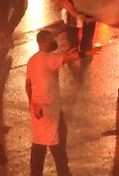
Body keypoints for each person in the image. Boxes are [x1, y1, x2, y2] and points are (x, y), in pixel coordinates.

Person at [26, 29, 80, 175]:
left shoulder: (32, 61)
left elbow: (28, 85)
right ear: (43, 44)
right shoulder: (48, 59)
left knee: (38, 143)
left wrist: (33, 104)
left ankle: (36, 173)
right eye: (50, 40)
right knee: (57, 145)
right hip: (51, 110)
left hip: (38, 110)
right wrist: (85, 53)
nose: (53, 42)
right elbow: (65, 59)